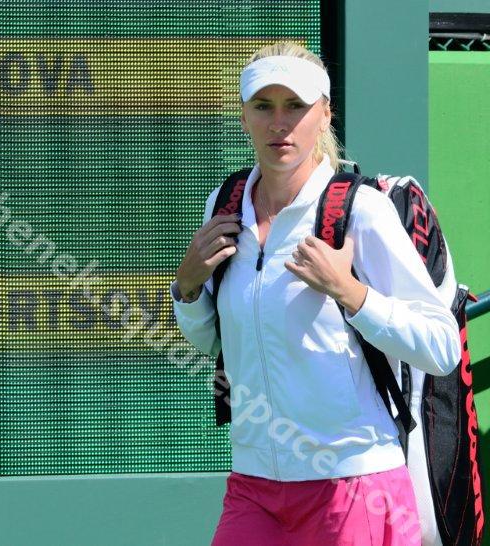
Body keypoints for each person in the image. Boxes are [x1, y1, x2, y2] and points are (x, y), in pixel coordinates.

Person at [170, 41, 462, 546]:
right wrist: (189, 286)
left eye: (295, 106)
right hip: (254, 483)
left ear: (324, 113)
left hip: (354, 485)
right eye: (264, 106)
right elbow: (213, 343)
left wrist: (350, 293)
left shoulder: (361, 210)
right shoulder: (225, 203)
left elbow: (441, 348)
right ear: (243, 116)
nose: (279, 123)